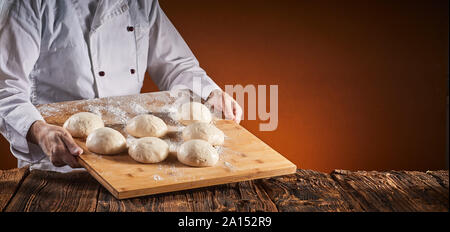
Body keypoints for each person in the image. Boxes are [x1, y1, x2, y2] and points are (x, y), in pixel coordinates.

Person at [0, 0, 242, 172]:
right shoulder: (26, 4)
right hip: (60, 165)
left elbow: (176, 64)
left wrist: (211, 92)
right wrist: (40, 131)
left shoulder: (141, 3)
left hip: (131, 164)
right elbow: (5, 87)